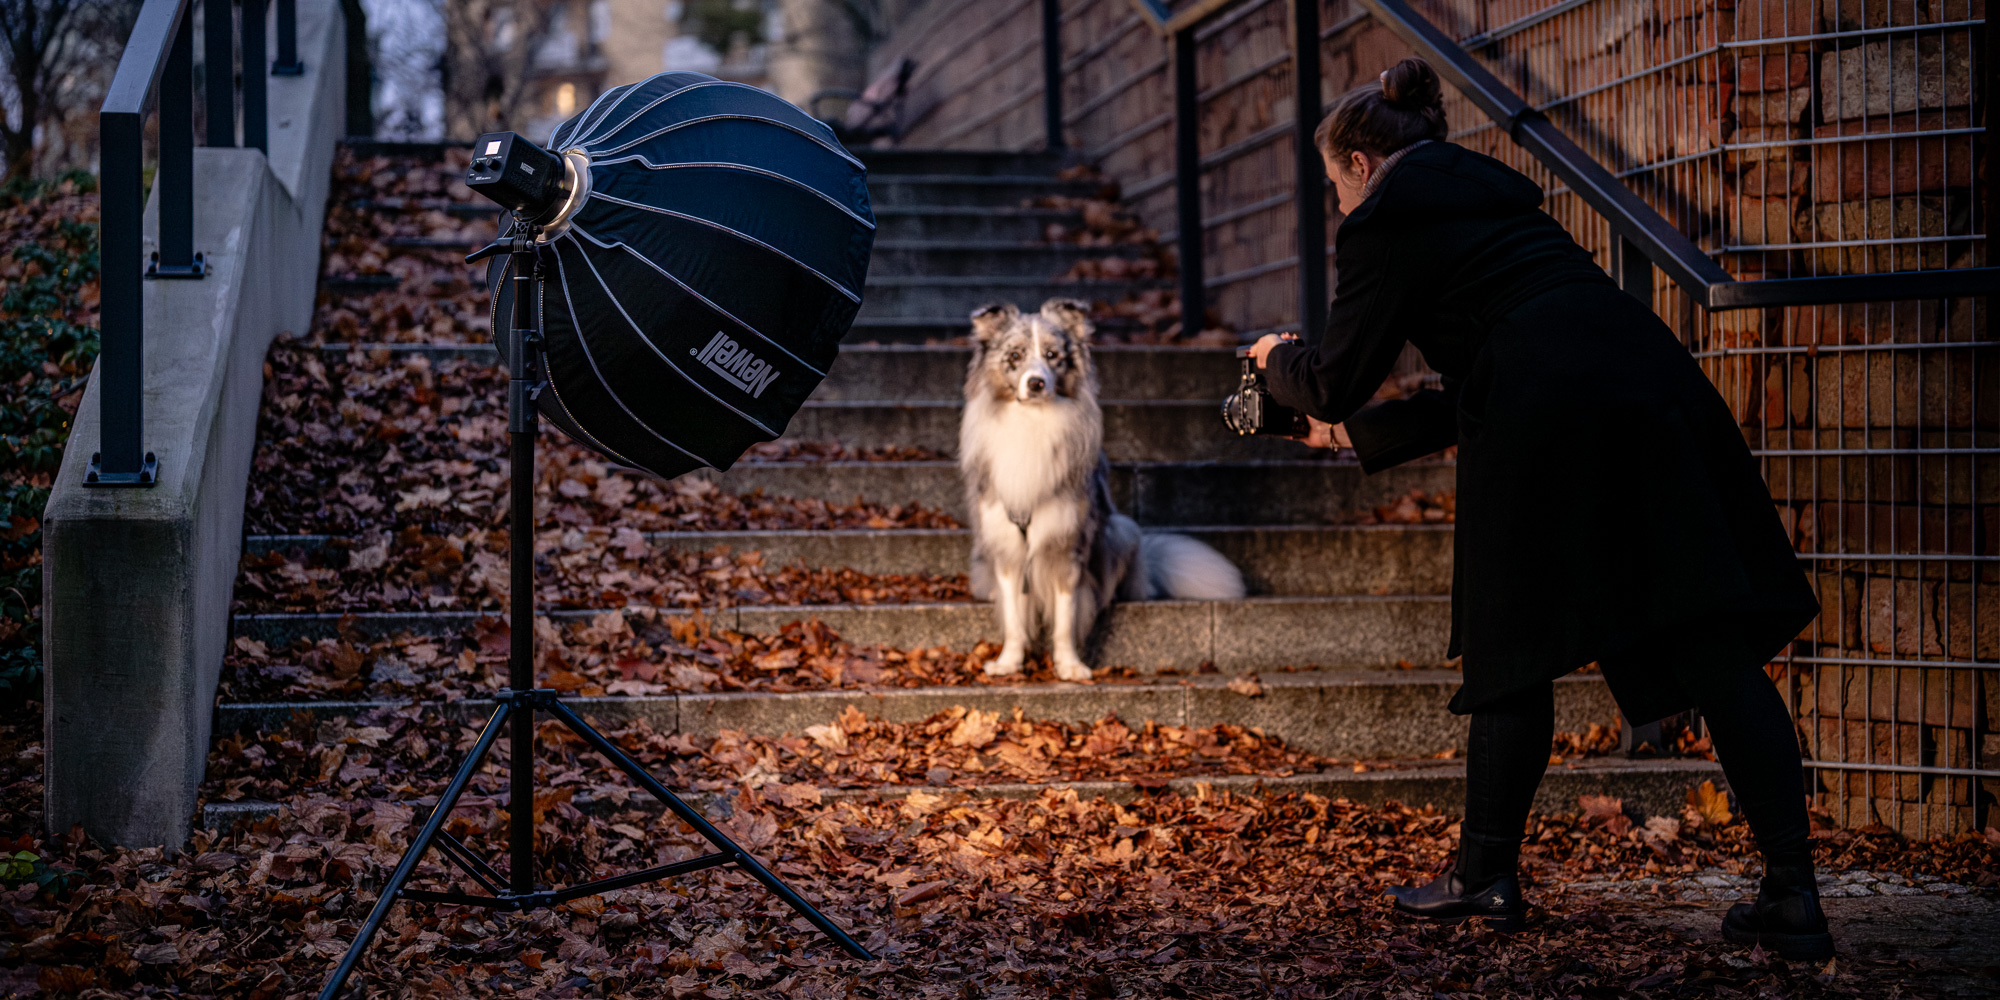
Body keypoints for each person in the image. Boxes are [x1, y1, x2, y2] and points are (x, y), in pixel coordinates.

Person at [1250, 58, 1831, 959]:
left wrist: (1274, 360)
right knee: (1710, 643)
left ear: (1361, 165)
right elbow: (1496, 360)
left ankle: (1485, 874)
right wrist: (1349, 436)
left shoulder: (1385, 219)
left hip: (1549, 419)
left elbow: (1331, 378)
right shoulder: (1498, 199)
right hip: (1647, 385)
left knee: (1510, 651)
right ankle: (1794, 892)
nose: (1338, 206)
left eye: (1334, 187)